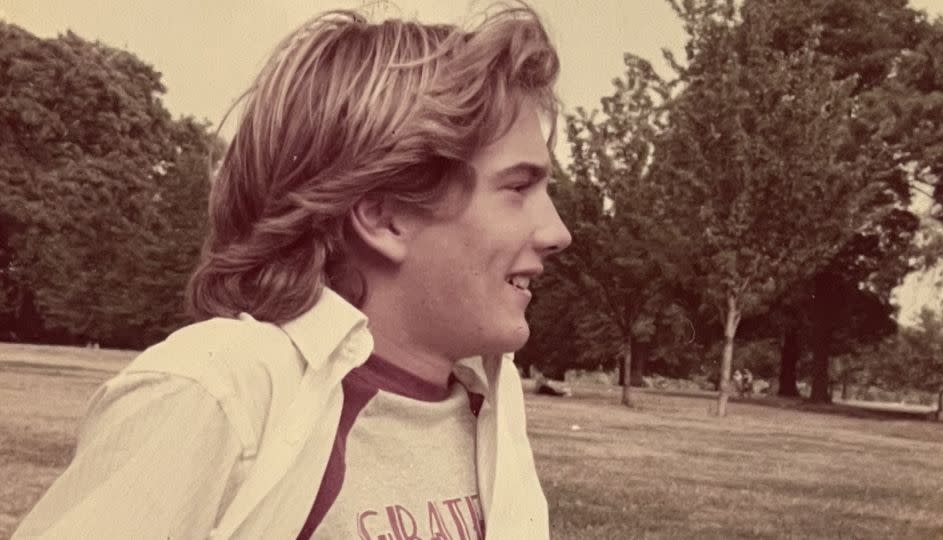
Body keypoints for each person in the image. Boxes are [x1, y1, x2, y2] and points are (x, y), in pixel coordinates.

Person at [13, 5, 571, 539]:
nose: (557, 233)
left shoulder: (491, 411)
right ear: (385, 217)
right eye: (518, 188)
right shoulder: (220, 397)